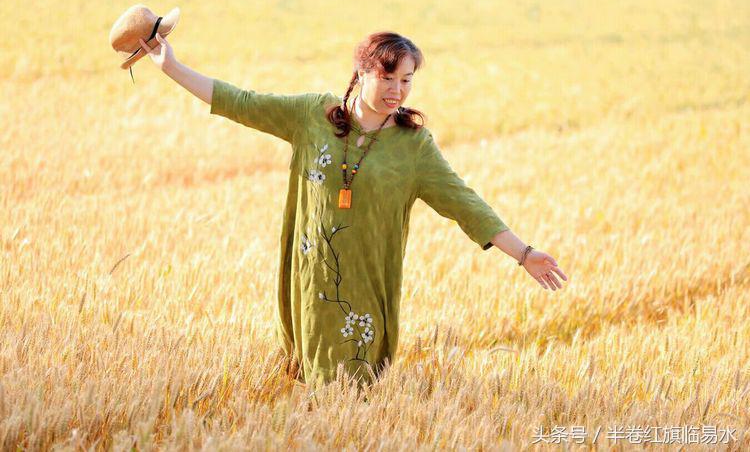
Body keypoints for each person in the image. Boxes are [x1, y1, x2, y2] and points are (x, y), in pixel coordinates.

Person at [137, 31, 568, 391]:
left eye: (407, 80)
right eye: (387, 77)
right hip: (311, 278)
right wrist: (171, 66)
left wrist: (525, 254)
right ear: (361, 72)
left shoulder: (414, 146)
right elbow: (241, 102)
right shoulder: (312, 115)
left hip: (365, 284)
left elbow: (466, 204)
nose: (397, 90)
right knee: (307, 383)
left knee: (351, 388)